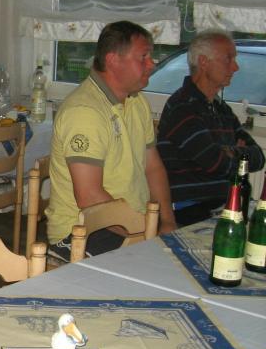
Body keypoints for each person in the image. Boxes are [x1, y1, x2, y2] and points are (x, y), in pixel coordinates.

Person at [46, 21, 176, 261]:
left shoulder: (137, 101)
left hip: (131, 223)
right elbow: (90, 197)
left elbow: (153, 168)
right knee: (158, 269)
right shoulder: (85, 112)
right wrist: (145, 231)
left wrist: (167, 222)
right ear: (113, 60)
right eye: (143, 57)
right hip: (82, 230)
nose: (152, 64)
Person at [157, 30, 264, 226]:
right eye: (228, 59)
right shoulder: (183, 106)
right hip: (191, 210)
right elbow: (216, 163)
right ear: (203, 62)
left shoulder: (220, 108)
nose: (235, 67)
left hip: (223, 205)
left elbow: (259, 158)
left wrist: (231, 152)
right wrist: (236, 152)